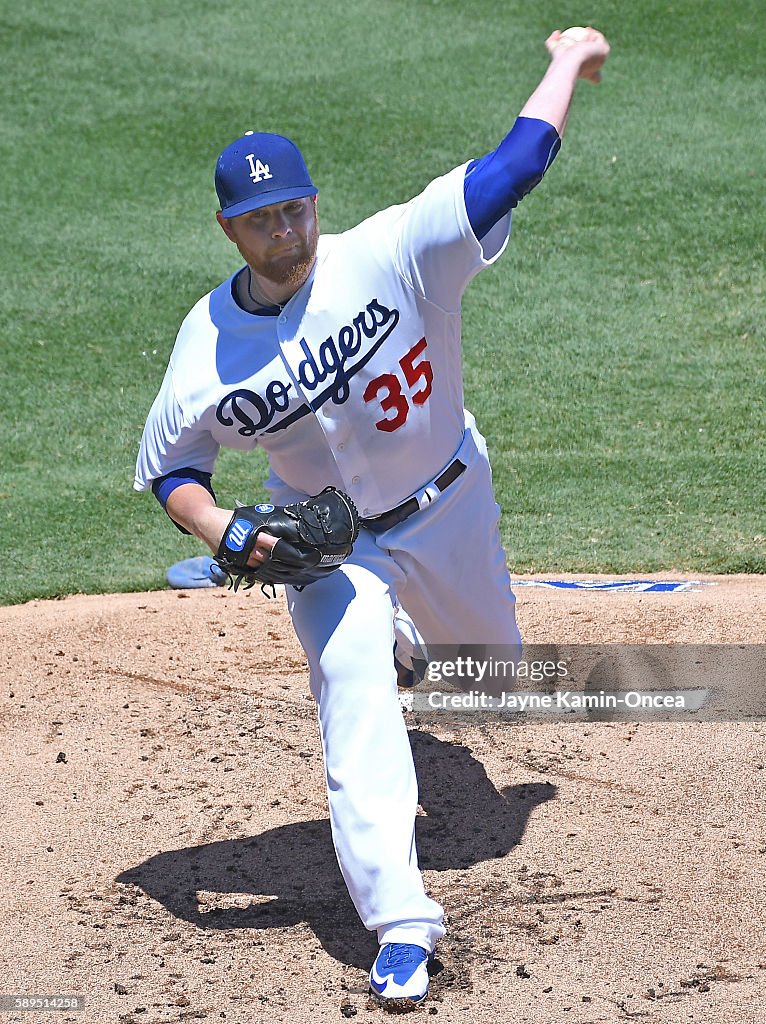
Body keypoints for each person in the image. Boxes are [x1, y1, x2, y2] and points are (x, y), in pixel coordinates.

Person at [135, 26, 610, 1009]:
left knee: (498, 683)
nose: (285, 232)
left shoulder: (399, 250)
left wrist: (569, 59)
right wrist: (219, 527)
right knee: (352, 692)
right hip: (333, 547)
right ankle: (401, 926)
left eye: (295, 209)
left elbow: (519, 162)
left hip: (449, 505)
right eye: (261, 219)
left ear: (318, 203)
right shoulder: (207, 343)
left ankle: (414, 633)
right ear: (230, 228)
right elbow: (172, 466)